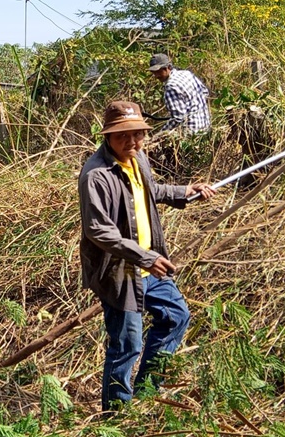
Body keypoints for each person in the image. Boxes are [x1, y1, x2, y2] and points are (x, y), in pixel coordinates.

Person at [78, 101, 216, 412]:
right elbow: (98, 231)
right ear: (108, 138)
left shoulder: (138, 158)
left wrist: (185, 192)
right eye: (123, 136)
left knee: (176, 316)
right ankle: (116, 417)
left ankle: (147, 390)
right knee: (127, 345)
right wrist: (144, 257)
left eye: (138, 135)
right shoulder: (96, 175)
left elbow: (149, 191)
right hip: (120, 271)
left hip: (149, 264)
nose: (132, 142)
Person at [147, 53, 211, 134]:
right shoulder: (187, 74)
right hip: (206, 127)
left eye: (159, 71)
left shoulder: (171, 86)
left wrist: (160, 134)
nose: (156, 75)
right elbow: (205, 92)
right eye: (154, 72)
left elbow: (178, 118)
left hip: (191, 133)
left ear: (168, 67)